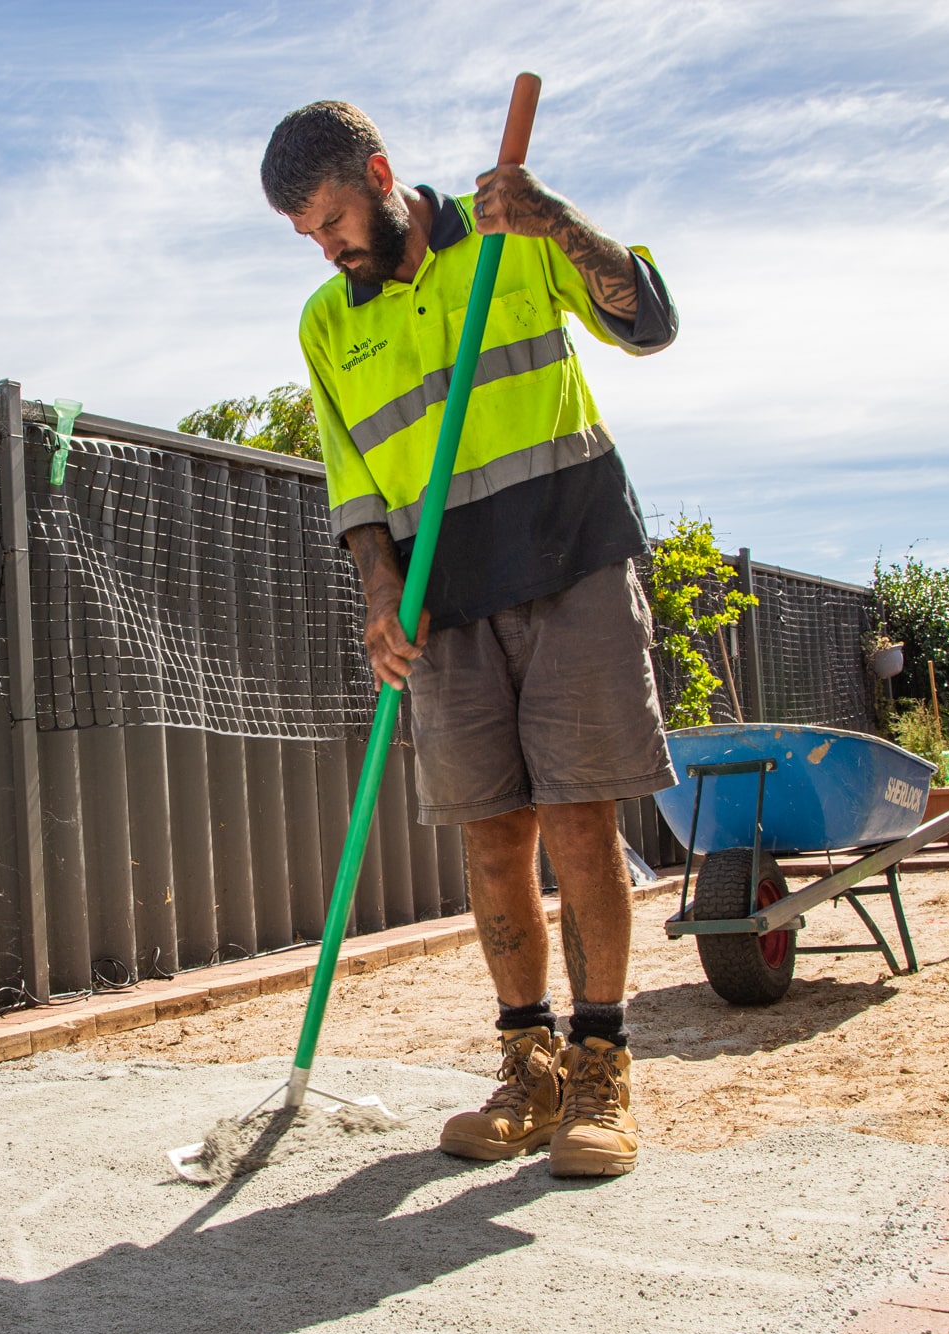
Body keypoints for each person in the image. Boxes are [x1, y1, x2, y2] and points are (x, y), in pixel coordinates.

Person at [260, 100, 678, 1177]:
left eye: (333, 218)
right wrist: (380, 591)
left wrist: (558, 224)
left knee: (579, 821)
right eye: (306, 233)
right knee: (490, 834)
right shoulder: (324, 320)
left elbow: (646, 323)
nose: (327, 245)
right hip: (443, 605)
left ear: (381, 173)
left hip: (569, 564)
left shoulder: (514, 239)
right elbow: (351, 477)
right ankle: (526, 1066)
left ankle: (599, 1067)